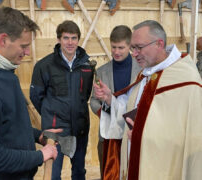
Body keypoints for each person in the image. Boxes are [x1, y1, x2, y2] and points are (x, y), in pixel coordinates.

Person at [94, 20, 202, 180]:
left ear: (159, 44)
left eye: (139, 47)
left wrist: (142, 134)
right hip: (137, 159)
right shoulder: (146, 73)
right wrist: (111, 99)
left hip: (164, 168)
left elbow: (190, 136)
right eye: (132, 48)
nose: (134, 53)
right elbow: (135, 110)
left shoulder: (186, 79)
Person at [0, 7, 59, 180]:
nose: (27, 52)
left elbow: (7, 124)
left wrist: (36, 135)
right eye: (24, 46)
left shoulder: (6, 74)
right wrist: (39, 156)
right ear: (3, 40)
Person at [30, 20, 94, 180]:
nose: (70, 42)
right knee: (53, 174)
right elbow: (36, 97)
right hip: (55, 132)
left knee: (79, 172)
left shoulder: (87, 65)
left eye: (74, 38)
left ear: (78, 39)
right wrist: (51, 114)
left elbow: (84, 95)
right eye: (66, 38)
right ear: (59, 39)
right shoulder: (44, 66)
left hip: (80, 128)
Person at [90, 25, 140, 178]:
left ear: (130, 46)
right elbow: (93, 101)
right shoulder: (101, 71)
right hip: (108, 135)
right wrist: (106, 111)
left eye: (121, 48)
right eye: (113, 47)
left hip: (133, 134)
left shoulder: (142, 70)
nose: (116, 52)